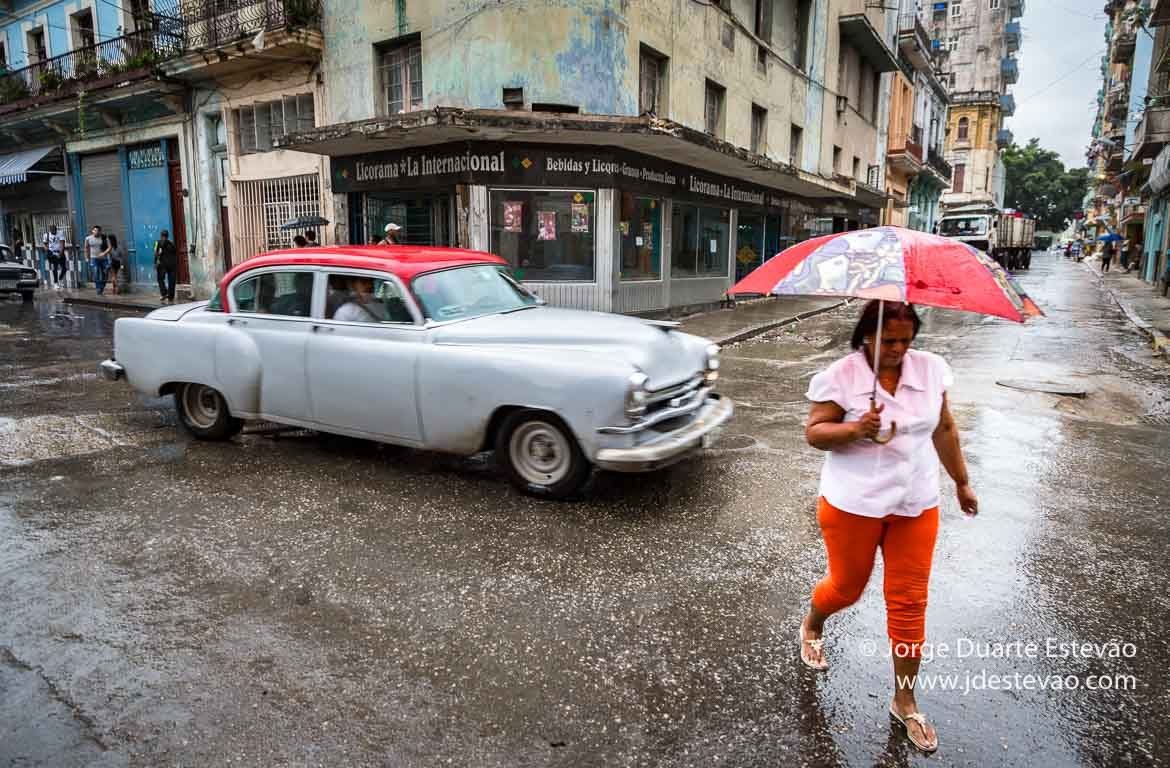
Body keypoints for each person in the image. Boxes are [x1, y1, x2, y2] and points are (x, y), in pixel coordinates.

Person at [799, 300, 978, 755]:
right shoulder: (840, 375)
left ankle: (905, 700)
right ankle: (814, 625)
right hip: (852, 505)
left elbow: (945, 429)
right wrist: (856, 429)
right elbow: (815, 432)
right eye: (889, 341)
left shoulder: (932, 370)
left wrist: (961, 481)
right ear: (867, 336)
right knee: (846, 588)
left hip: (916, 504)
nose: (899, 349)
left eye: (906, 340)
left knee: (910, 603)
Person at [154, 229, 178, 304]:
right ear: (167, 236)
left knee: (160, 279)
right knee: (172, 281)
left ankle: (164, 293)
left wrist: (155, 262)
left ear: (161, 236)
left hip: (162, 264)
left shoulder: (157, 243)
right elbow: (175, 253)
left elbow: (155, 253)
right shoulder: (171, 243)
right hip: (172, 265)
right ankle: (171, 297)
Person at [43, 225, 68, 289]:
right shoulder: (46, 235)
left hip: (59, 252)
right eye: (52, 231)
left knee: (64, 268)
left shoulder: (60, 233)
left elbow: (62, 243)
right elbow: (45, 244)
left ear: (56, 229)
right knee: (55, 268)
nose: (54, 231)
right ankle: (55, 283)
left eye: (55, 230)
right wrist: (47, 250)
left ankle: (60, 278)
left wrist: (61, 253)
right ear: (50, 230)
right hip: (52, 253)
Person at [85, 225, 108, 295]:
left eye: (98, 231)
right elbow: (86, 248)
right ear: (92, 231)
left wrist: (104, 253)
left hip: (104, 258)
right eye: (94, 230)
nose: (96, 232)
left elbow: (109, 247)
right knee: (96, 272)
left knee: (105, 273)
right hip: (94, 258)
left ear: (100, 232)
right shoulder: (88, 238)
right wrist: (86, 257)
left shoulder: (104, 238)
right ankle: (98, 288)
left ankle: (102, 286)